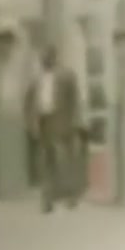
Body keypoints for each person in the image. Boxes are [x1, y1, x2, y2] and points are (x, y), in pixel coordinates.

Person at [24, 45, 84, 213]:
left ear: (54, 58)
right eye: (43, 57)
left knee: (63, 160)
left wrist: (74, 121)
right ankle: (47, 199)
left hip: (62, 121)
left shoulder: (66, 76)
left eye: (49, 56)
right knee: (45, 161)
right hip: (44, 122)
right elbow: (29, 101)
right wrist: (31, 122)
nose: (45, 60)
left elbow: (74, 99)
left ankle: (70, 195)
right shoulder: (37, 79)